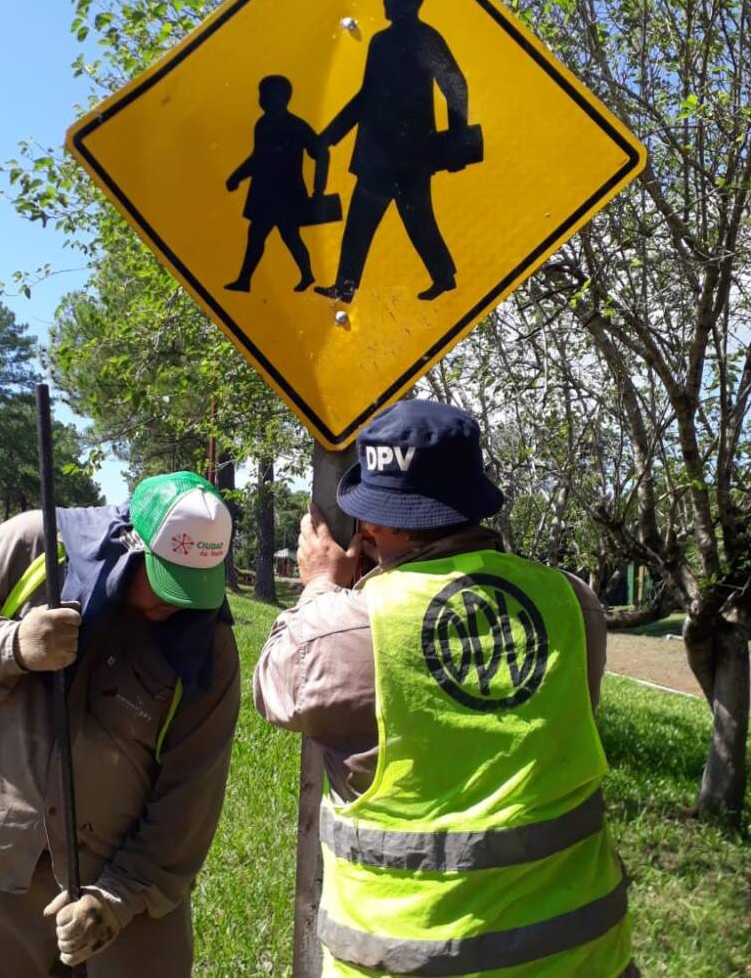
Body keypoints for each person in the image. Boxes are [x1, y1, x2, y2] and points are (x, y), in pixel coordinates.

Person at [254, 399, 638, 978]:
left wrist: (320, 589)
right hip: (583, 956)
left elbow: (274, 687)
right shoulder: (573, 603)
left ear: (380, 526)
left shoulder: (349, 631)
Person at [0, 471, 240, 978]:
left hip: (132, 881)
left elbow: (191, 794)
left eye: (194, 590)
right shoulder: (34, 547)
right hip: (6, 866)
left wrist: (119, 898)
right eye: (168, 582)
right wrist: (12, 647)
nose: (176, 605)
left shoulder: (207, 644)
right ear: (130, 545)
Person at [314, 0, 474, 304]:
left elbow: (455, 85)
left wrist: (457, 141)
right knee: (373, 222)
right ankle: (352, 287)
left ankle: (442, 277)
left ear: (407, 2)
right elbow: (366, 95)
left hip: (410, 154)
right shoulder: (380, 42)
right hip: (378, 152)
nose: (384, 3)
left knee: (414, 221)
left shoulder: (425, 40)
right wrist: (331, 135)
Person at [225, 74, 329, 293]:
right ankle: (247, 280)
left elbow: (321, 152)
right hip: (264, 192)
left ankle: (249, 279)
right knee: (276, 236)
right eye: (262, 94)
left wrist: (319, 189)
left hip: (286, 194)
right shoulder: (262, 124)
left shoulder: (295, 125)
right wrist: (237, 176)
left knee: (278, 235)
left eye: (269, 94)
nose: (263, 99)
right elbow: (258, 157)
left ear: (283, 97)